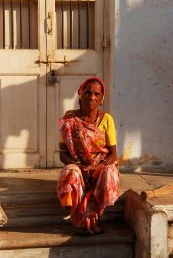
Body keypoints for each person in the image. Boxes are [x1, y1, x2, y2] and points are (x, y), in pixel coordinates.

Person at [56, 77, 120, 236]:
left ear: (101, 98)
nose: (92, 97)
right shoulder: (68, 119)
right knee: (71, 172)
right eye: (88, 93)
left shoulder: (107, 119)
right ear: (80, 94)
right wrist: (77, 165)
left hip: (99, 167)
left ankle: (94, 215)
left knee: (110, 172)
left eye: (96, 94)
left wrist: (98, 166)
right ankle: (79, 220)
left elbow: (113, 154)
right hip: (78, 166)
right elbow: (62, 153)